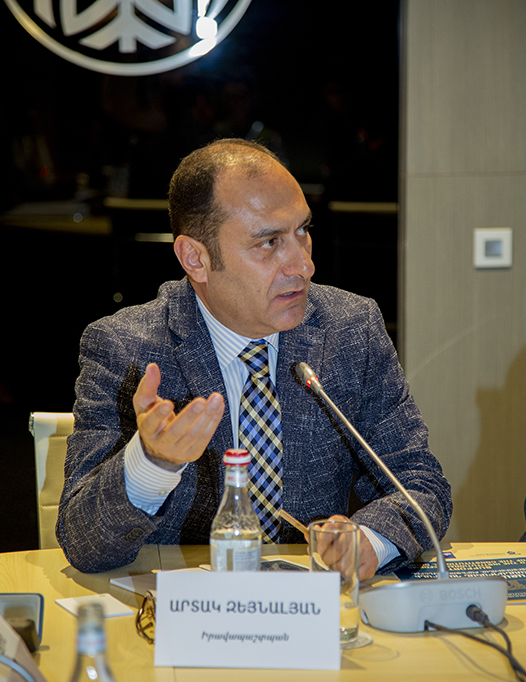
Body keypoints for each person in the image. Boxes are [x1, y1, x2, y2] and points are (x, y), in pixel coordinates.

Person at [56, 138, 452, 575]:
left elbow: (419, 482)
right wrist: (152, 463)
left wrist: (371, 542)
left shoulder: (350, 329)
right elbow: (83, 543)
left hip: (308, 602)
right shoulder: (126, 348)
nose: (303, 265)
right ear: (195, 258)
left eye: (303, 231)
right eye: (269, 242)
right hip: (179, 607)